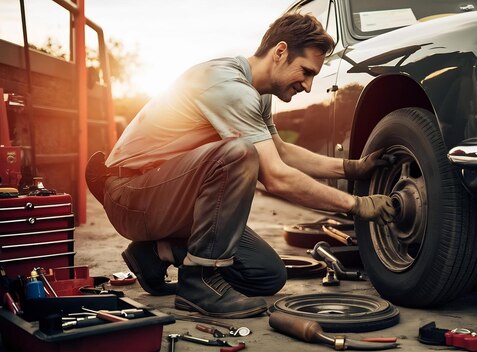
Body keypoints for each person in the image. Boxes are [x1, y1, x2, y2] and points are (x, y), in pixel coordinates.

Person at [85, 12, 396, 319]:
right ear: (280, 52)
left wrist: (352, 168)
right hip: (130, 195)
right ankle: (200, 282)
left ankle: (154, 254)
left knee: (267, 275)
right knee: (239, 154)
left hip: (169, 198)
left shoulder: (257, 95)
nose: (309, 86)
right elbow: (276, 176)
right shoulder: (228, 85)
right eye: (306, 72)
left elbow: (281, 153)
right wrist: (357, 204)